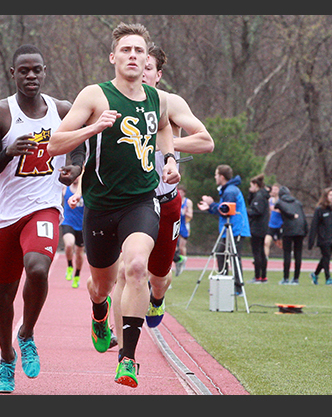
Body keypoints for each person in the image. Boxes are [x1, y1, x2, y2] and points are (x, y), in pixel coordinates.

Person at [47, 23, 179, 388]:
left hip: (141, 200)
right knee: (101, 286)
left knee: (137, 266)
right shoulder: (95, 96)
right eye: (126, 50)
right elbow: (55, 144)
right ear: (113, 57)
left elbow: (165, 126)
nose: (133, 56)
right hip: (101, 204)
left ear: (147, 58)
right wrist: (93, 128)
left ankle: (128, 359)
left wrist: (168, 158)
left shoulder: (158, 98)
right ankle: (99, 312)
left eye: (139, 51)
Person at [0, 44, 84, 393]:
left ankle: (26, 334)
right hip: (7, 214)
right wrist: (7, 153)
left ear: (44, 71)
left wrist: (76, 167)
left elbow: (80, 142)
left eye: (36, 70)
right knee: (2, 294)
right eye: (23, 70)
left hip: (44, 207)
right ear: (13, 74)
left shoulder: (62, 110)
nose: (31, 76)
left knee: (38, 268)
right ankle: (6, 356)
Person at [110, 43, 213, 347]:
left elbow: (205, 141)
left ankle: (158, 296)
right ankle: (121, 341)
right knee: (125, 272)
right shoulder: (115, 100)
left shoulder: (170, 102)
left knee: (159, 276)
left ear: (157, 74)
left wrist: (165, 147)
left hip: (165, 201)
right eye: (138, 65)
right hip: (129, 201)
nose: (141, 71)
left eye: (148, 68)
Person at [198, 164, 251, 295]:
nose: (215, 177)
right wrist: (211, 207)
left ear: (221, 176)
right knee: (221, 253)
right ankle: (223, 283)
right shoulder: (228, 190)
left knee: (234, 257)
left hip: (235, 229)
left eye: (216, 174)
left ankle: (238, 288)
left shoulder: (230, 191)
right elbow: (223, 209)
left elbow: (226, 210)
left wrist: (211, 204)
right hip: (229, 229)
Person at [308, 187, 332, 285]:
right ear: (326, 196)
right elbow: (314, 226)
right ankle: (328, 278)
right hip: (323, 238)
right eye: (330, 195)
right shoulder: (320, 209)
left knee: (325, 258)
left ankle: (315, 274)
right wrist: (311, 241)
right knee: (326, 257)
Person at [275, 186, 307, 284]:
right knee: (298, 254)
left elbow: (277, 207)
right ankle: (296, 278)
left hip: (288, 229)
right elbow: (303, 217)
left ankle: (286, 278)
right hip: (300, 229)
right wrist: (305, 230)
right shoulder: (297, 203)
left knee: (287, 254)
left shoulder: (280, 202)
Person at [60, 176, 85, 288]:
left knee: (79, 254)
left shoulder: (85, 189)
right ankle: (70, 265)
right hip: (68, 222)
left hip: (82, 226)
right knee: (69, 244)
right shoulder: (66, 188)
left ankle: (77, 275)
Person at [247, 174, 270, 283]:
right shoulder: (262, 195)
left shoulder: (260, 196)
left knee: (257, 252)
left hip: (257, 227)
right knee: (261, 252)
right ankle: (263, 276)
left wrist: (247, 213)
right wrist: (250, 194)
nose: (250, 188)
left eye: (251, 186)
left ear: (256, 185)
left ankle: (258, 276)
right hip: (263, 227)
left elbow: (257, 211)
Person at [174, 184, 193, 276]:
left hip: (184, 225)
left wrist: (185, 213)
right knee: (175, 246)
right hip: (176, 224)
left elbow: (191, 215)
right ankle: (178, 260)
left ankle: (183, 261)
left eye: (182, 192)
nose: (180, 193)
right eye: (179, 191)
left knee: (182, 246)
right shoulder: (175, 199)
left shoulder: (187, 202)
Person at [264, 183, 283, 258]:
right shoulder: (270, 200)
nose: (274, 191)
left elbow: (281, 210)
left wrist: (275, 209)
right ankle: (266, 259)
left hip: (280, 225)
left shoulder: (281, 201)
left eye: (276, 189)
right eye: (273, 189)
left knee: (280, 244)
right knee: (266, 242)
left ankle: (289, 255)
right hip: (271, 225)